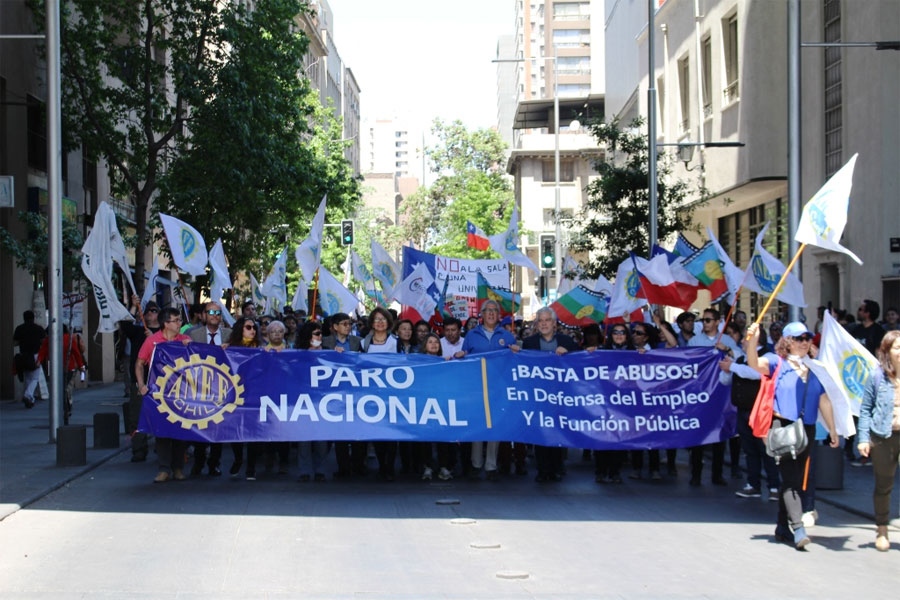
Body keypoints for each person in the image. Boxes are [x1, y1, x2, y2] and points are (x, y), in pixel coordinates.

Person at [746, 321, 840, 550]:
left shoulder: (815, 367)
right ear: (787, 341)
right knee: (789, 478)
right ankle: (798, 528)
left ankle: (781, 527)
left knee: (796, 479)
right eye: (799, 338)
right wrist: (751, 341)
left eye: (808, 338)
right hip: (782, 426)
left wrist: (833, 429)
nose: (805, 342)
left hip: (806, 427)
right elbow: (753, 363)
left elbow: (824, 400)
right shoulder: (776, 361)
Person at [460, 300, 519, 481]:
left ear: (499, 315)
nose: (491, 313)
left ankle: (491, 465)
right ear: (482, 314)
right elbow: (464, 357)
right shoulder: (471, 335)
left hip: (498, 387)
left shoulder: (507, 336)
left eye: (495, 310)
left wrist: (517, 351)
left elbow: (515, 362)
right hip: (476, 387)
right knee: (478, 424)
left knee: (495, 425)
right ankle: (476, 463)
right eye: (488, 310)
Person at [719, 327, 780, 501]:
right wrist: (727, 369)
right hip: (743, 411)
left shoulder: (768, 357)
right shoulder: (740, 360)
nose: (742, 341)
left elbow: (755, 374)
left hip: (761, 412)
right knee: (750, 450)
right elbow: (725, 380)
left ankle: (774, 486)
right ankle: (753, 484)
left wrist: (733, 366)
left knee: (766, 450)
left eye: (746, 338)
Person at [134, 308, 192, 483]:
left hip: (181, 393)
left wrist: (191, 346)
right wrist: (142, 385)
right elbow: (139, 363)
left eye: (179, 320)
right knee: (162, 431)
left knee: (180, 431)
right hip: (160, 394)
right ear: (166, 324)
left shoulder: (184, 340)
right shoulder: (152, 341)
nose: (179, 323)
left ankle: (178, 467)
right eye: (176, 320)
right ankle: (164, 469)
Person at [523, 307, 580, 482]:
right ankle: (542, 470)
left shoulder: (566, 341)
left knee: (558, 432)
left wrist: (569, 354)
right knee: (541, 433)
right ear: (537, 324)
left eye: (547, 320)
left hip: (560, 396)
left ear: (554, 324)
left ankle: (557, 467)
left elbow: (581, 361)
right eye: (541, 321)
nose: (544, 324)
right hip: (539, 396)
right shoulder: (529, 343)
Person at [856, 329, 900, 552]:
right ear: (887, 351)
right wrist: (863, 439)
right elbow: (865, 410)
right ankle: (882, 528)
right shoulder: (877, 376)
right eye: (897, 347)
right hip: (883, 436)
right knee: (884, 484)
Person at [687, 308, 736, 486]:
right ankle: (696, 474)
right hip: (699, 394)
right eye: (704, 320)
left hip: (720, 394)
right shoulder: (695, 341)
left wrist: (728, 350)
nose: (705, 323)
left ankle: (717, 474)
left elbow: (741, 359)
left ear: (717, 322)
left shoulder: (727, 340)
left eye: (708, 320)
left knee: (719, 435)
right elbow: (684, 361)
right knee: (698, 435)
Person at [186, 302, 231, 477]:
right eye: (211, 312)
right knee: (200, 426)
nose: (215, 315)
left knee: (218, 426)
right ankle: (198, 462)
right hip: (199, 387)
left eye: (218, 313)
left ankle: (214, 463)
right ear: (203, 315)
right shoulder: (193, 334)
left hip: (221, 387)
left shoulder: (229, 334)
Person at [121, 298, 161, 462]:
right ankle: (139, 450)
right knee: (137, 417)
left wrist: (154, 339)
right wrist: (132, 305)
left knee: (161, 415)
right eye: (148, 311)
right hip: (140, 380)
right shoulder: (138, 332)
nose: (151, 313)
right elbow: (125, 326)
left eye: (154, 310)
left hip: (160, 381)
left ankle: (162, 447)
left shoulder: (163, 334)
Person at [362, 307, 399, 480]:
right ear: (372, 323)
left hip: (392, 394)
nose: (380, 322)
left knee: (391, 432)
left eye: (383, 319)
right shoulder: (364, 344)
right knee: (377, 431)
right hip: (371, 394)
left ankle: (389, 467)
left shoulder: (396, 342)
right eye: (376, 319)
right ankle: (381, 465)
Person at [225, 317, 262, 479]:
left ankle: (251, 466)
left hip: (255, 394)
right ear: (241, 329)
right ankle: (238, 459)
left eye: (254, 327)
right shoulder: (231, 348)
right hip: (236, 394)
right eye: (248, 327)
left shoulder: (261, 347)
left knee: (252, 430)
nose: (252, 330)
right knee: (236, 429)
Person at [295, 321, 329, 482]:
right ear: (307, 336)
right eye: (316, 333)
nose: (320, 336)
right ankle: (304, 471)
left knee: (322, 439)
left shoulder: (329, 353)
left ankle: (320, 470)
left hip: (323, 402)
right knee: (304, 439)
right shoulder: (296, 355)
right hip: (303, 402)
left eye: (320, 333)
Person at [13, 310, 47, 409]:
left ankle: (30, 399)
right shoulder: (38, 328)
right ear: (33, 318)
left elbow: (15, 342)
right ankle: (28, 395)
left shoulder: (19, 328)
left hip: (23, 355)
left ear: (24, 318)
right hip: (35, 355)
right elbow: (43, 342)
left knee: (27, 377)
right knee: (35, 378)